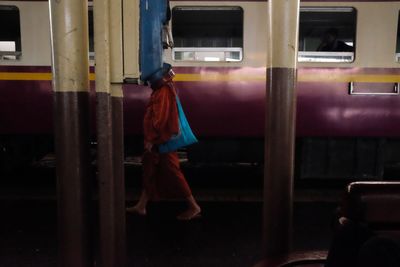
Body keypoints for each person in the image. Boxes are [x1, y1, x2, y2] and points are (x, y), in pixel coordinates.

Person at [126, 65, 201, 221]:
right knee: (150, 170)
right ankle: (141, 205)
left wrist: (151, 140)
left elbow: (160, 120)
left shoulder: (163, 92)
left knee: (172, 172)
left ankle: (193, 206)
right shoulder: (161, 90)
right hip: (158, 140)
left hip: (161, 140)